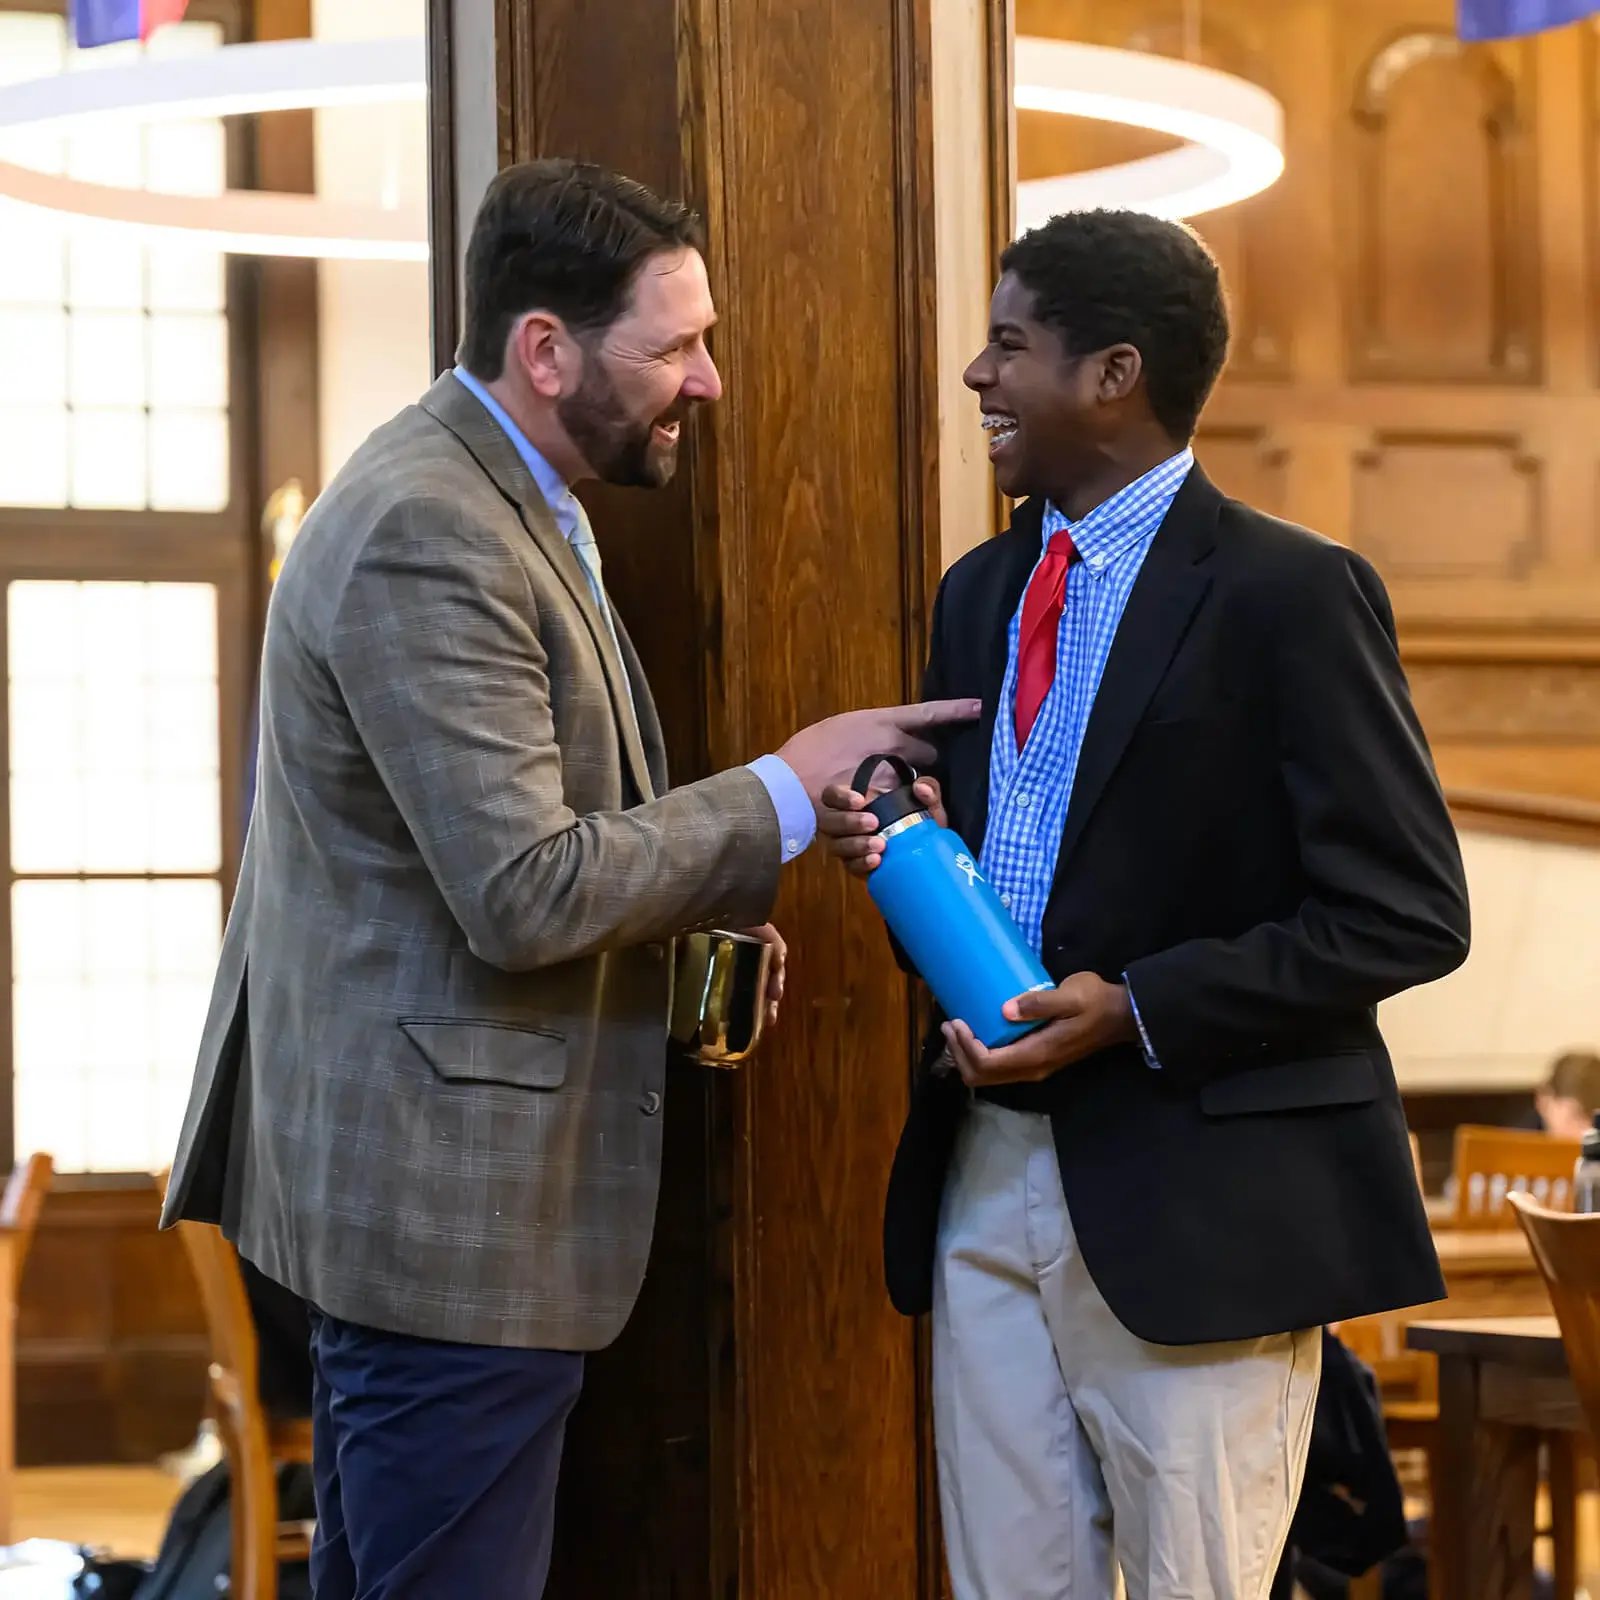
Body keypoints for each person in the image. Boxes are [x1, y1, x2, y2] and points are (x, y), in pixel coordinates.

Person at [160, 158, 977, 1600]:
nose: (707, 381)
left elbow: (448, 866)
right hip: (448, 1220)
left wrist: (680, 952)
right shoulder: (434, 526)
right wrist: (787, 788)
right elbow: (523, 887)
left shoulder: (505, 493)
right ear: (544, 349)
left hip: (444, 1209)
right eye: (673, 347)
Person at [819, 208, 1471, 1600]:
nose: (979, 379)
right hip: (981, 1171)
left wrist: (1132, 1011)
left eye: (1010, 346)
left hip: (1202, 1197)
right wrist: (900, 858)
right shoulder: (980, 591)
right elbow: (997, 880)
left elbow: (1409, 911)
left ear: (1113, 375)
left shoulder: (1290, 595)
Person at [1535, 1049, 1600, 1140]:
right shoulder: (1515, 1146)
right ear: (1543, 1100)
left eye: (1591, 1122)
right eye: (1574, 1120)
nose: (1583, 1134)